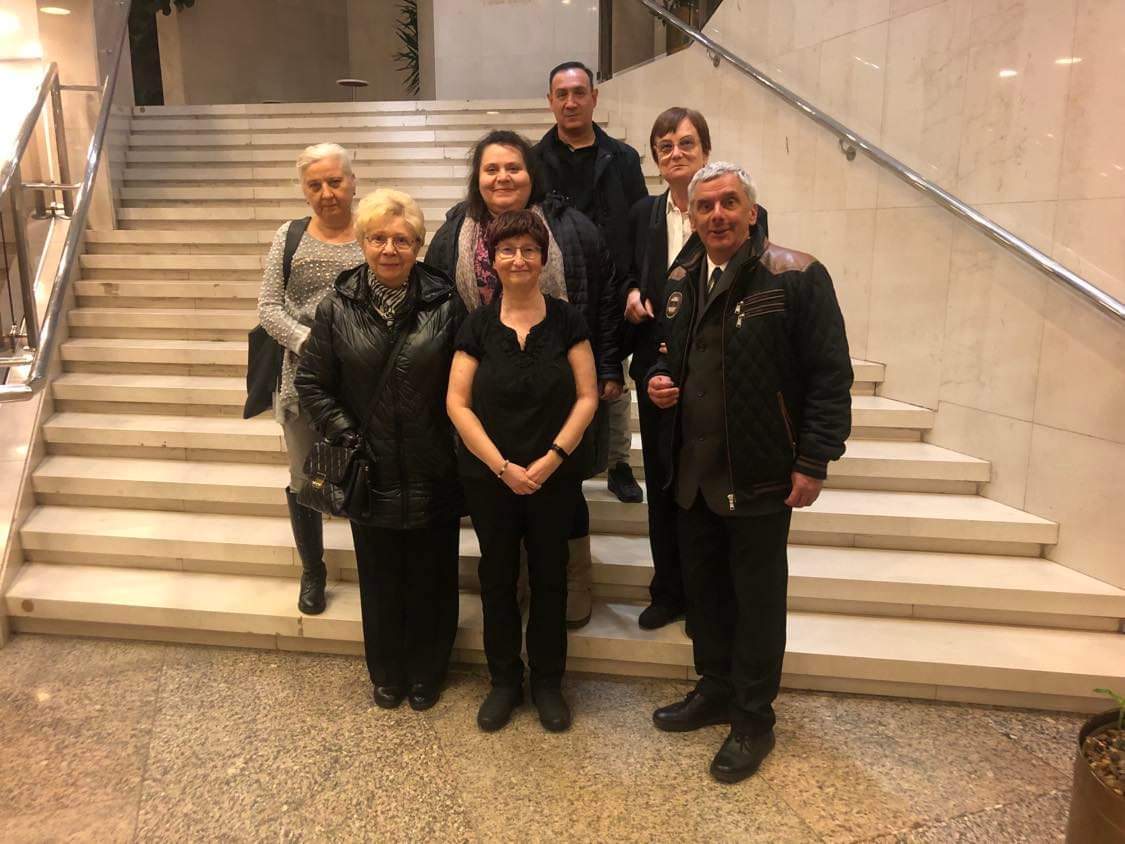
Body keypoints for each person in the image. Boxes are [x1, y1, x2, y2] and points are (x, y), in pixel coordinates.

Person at [646, 162, 852, 783]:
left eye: (729, 203)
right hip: (694, 473)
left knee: (757, 602)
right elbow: (667, 351)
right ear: (692, 216)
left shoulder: (796, 275)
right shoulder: (679, 279)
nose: (717, 215)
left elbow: (829, 375)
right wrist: (659, 378)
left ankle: (754, 718)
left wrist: (814, 459)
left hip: (759, 472)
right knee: (705, 594)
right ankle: (714, 688)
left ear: (751, 212)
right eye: (705, 206)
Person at [428, 129, 621, 630]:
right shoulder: (453, 234)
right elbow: (436, 310)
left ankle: (573, 579)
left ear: (531, 173)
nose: (502, 177)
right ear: (477, 178)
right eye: (491, 168)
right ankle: (512, 577)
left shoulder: (571, 226)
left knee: (565, 487)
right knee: (498, 496)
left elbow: (603, 297)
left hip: (558, 379)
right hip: (488, 384)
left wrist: (607, 367)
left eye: (513, 167)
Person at [295, 188, 466, 712]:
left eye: (402, 240)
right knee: (380, 577)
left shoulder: (446, 304)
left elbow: (468, 382)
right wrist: (346, 433)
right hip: (369, 468)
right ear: (363, 243)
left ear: (418, 245)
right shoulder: (336, 307)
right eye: (378, 239)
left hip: (433, 464)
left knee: (435, 576)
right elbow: (311, 382)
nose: (389, 249)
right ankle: (387, 670)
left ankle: (430, 670)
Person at [447, 209, 599, 733]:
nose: (519, 259)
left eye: (529, 250)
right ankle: (505, 682)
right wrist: (502, 466)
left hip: (553, 476)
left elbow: (588, 395)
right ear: (492, 259)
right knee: (497, 578)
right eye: (508, 249)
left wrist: (552, 458)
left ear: (543, 258)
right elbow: (457, 403)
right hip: (491, 478)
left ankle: (549, 683)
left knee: (551, 578)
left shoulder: (567, 320)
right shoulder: (477, 324)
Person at [624, 108, 768, 630]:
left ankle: (709, 597)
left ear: (706, 150)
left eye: (686, 143)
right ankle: (669, 591)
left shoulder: (736, 209)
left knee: (709, 489)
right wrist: (631, 292)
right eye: (665, 146)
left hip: (717, 369)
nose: (676, 153)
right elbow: (628, 271)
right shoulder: (642, 213)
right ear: (656, 158)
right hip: (658, 369)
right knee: (665, 486)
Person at [257, 142, 363, 616]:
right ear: (303, 190)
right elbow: (268, 308)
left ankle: (373, 561)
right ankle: (313, 570)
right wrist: (310, 342)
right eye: (314, 185)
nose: (326, 193)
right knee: (304, 477)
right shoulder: (290, 236)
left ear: (353, 182)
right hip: (301, 380)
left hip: (362, 379)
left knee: (364, 470)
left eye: (335, 182)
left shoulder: (372, 230)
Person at [534, 60, 646, 506]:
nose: (571, 102)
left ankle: (618, 462)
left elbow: (638, 222)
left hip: (612, 285)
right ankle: (564, 462)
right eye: (561, 94)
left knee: (612, 377)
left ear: (594, 98)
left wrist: (634, 283)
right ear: (550, 101)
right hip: (557, 288)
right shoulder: (534, 159)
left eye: (579, 92)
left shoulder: (623, 158)